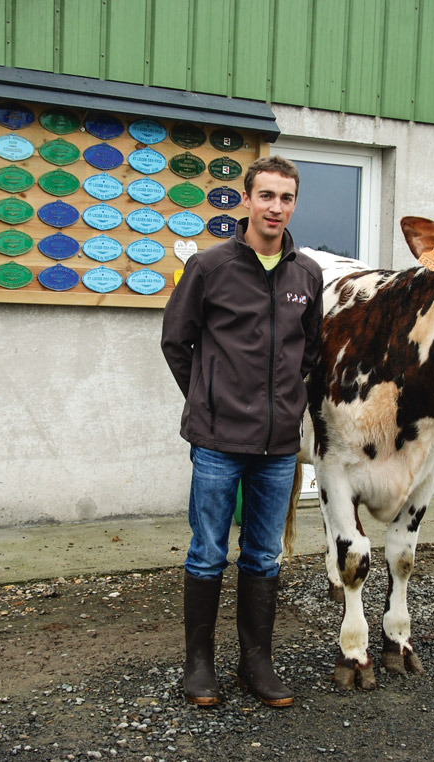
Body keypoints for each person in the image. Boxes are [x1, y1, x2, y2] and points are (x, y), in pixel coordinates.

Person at [160, 155, 323, 708]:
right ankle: (199, 667)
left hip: (279, 446)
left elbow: (312, 350)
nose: (276, 207)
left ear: (293, 204)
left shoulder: (307, 274)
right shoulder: (210, 267)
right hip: (217, 442)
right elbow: (176, 342)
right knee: (207, 552)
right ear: (247, 200)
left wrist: (286, 405)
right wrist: (207, 400)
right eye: (267, 195)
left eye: (287, 197)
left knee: (264, 555)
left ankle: (257, 664)